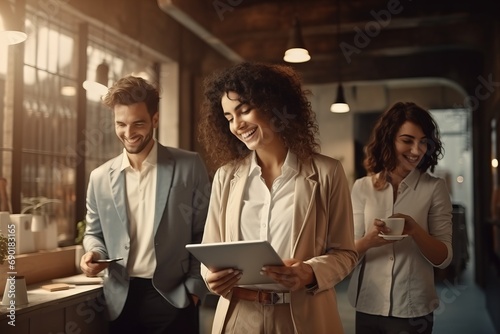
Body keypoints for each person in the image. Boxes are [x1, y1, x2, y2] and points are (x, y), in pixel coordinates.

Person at [197, 62, 358, 334]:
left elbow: (346, 253)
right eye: (228, 117)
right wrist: (211, 279)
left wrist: (309, 272)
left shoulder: (327, 172)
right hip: (239, 317)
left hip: (302, 317)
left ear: (273, 104)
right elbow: (210, 252)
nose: (236, 125)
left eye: (244, 110)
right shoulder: (226, 177)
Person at [80, 75, 211, 334]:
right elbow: (94, 233)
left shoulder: (189, 166)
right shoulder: (99, 178)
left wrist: (193, 291)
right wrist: (93, 254)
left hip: (173, 298)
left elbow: (205, 232)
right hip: (119, 299)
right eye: (121, 124)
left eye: (138, 123)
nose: (128, 134)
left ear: (155, 119)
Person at [347, 102, 453, 334]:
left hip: (412, 308)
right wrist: (369, 240)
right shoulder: (362, 188)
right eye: (407, 140)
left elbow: (444, 257)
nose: (417, 150)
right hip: (367, 304)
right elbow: (347, 253)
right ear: (389, 139)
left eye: (423, 141)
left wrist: (415, 230)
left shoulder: (435, 188)